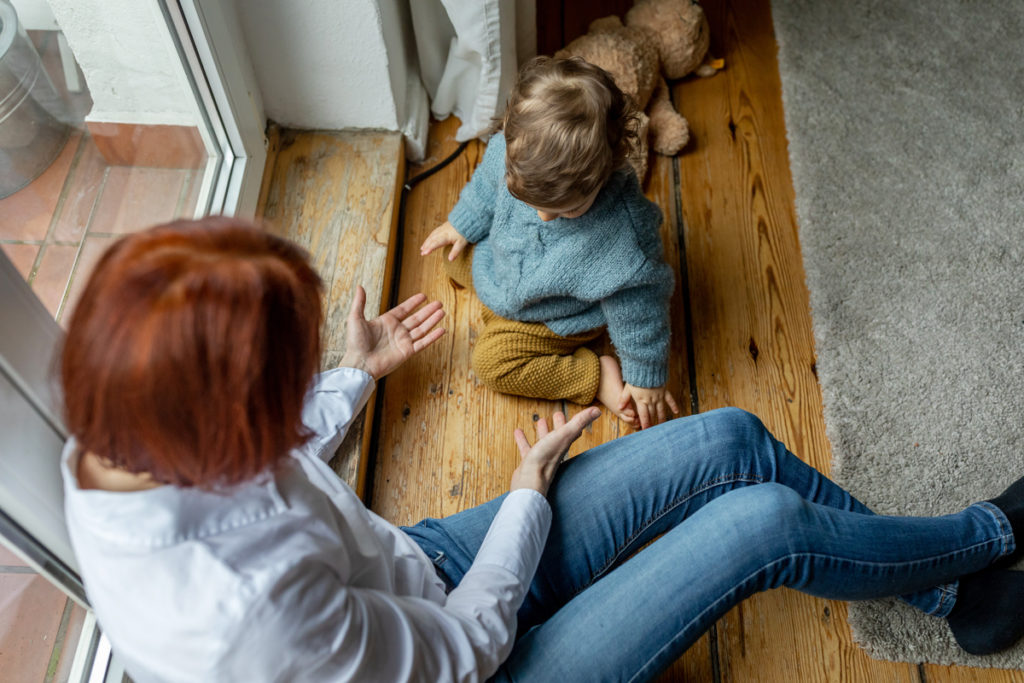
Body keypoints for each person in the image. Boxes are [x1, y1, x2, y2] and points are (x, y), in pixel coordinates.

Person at [61, 219, 1024, 683]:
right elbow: (464, 649)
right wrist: (525, 494)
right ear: (220, 433)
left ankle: (953, 596)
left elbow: (273, 463)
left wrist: (350, 378)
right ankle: (990, 534)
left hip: (419, 573)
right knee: (763, 521)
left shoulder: (116, 438)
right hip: (475, 662)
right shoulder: (245, 619)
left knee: (730, 437)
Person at [420, 56, 678, 430]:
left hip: (557, 316)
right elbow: (486, 189)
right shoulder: (514, 152)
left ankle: (592, 373)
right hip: (504, 267)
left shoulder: (623, 240)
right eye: (531, 203)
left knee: (491, 363)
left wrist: (644, 374)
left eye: (565, 210)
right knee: (451, 251)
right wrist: (463, 224)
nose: (543, 217)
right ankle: (495, 300)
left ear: (604, 173)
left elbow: (641, 312)